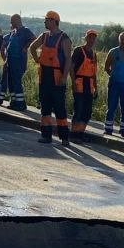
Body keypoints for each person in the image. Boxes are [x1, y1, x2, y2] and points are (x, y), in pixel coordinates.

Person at [29, 10, 73, 146]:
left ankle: (64, 137)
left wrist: (65, 77)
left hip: (57, 76)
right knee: (45, 107)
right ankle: (46, 135)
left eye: (47, 19)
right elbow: (32, 47)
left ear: (54, 20)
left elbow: (68, 60)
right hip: (45, 76)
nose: (45, 22)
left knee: (60, 108)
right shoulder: (44, 36)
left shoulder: (64, 38)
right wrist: (38, 60)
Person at [104, 31, 124, 136]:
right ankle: (108, 128)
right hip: (114, 83)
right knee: (111, 106)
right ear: (119, 40)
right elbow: (106, 67)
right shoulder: (112, 52)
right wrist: (113, 75)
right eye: (122, 40)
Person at [70, 29, 99, 141]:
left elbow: (94, 73)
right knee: (78, 110)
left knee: (87, 111)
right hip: (79, 84)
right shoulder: (78, 51)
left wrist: (96, 87)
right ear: (86, 38)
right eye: (90, 37)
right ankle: (73, 134)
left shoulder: (94, 54)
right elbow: (71, 68)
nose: (92, 40)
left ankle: (80, 134)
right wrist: (73, 83)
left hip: (89, 86)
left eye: (94, 38)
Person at [2, 14, 35, 110]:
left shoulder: (25, 31)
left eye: (12, 21)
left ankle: (21, 104)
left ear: (17, 20)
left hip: (19, 61)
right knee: (11, 83)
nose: (11, 23)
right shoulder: (13, 32)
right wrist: (6, 62)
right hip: (10, 61)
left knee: (16, 82)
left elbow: (34, 39)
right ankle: (14, 102)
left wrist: (25, 47)